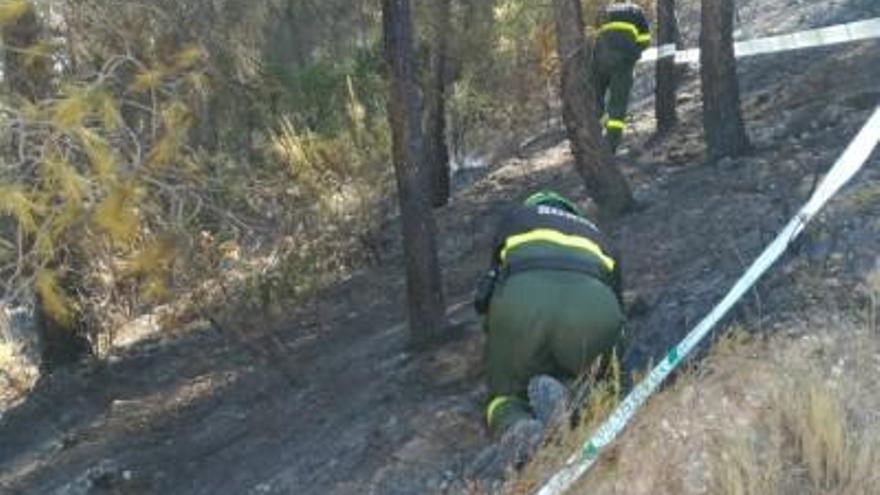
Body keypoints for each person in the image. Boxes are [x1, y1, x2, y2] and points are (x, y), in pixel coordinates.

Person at [473, 190, 626, 469]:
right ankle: (573, 396)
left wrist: (497, 342)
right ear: (572, 213)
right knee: (595, 378)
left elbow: (488, 292)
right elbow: (620, 316)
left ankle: (518, 428)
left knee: (505, 394)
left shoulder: (516, 219)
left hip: (523, 304)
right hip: (594, 310)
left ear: (534, 207)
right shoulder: (600, 237)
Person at [593, 0, 651, 152]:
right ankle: (610, 146)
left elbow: (595, 37)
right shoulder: (635, 11)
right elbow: (645, 40)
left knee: (595, 101)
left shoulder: (603, 10)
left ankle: (593, 140)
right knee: (617, 105)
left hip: (599, 62)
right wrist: (633, 53)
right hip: (622, 63)